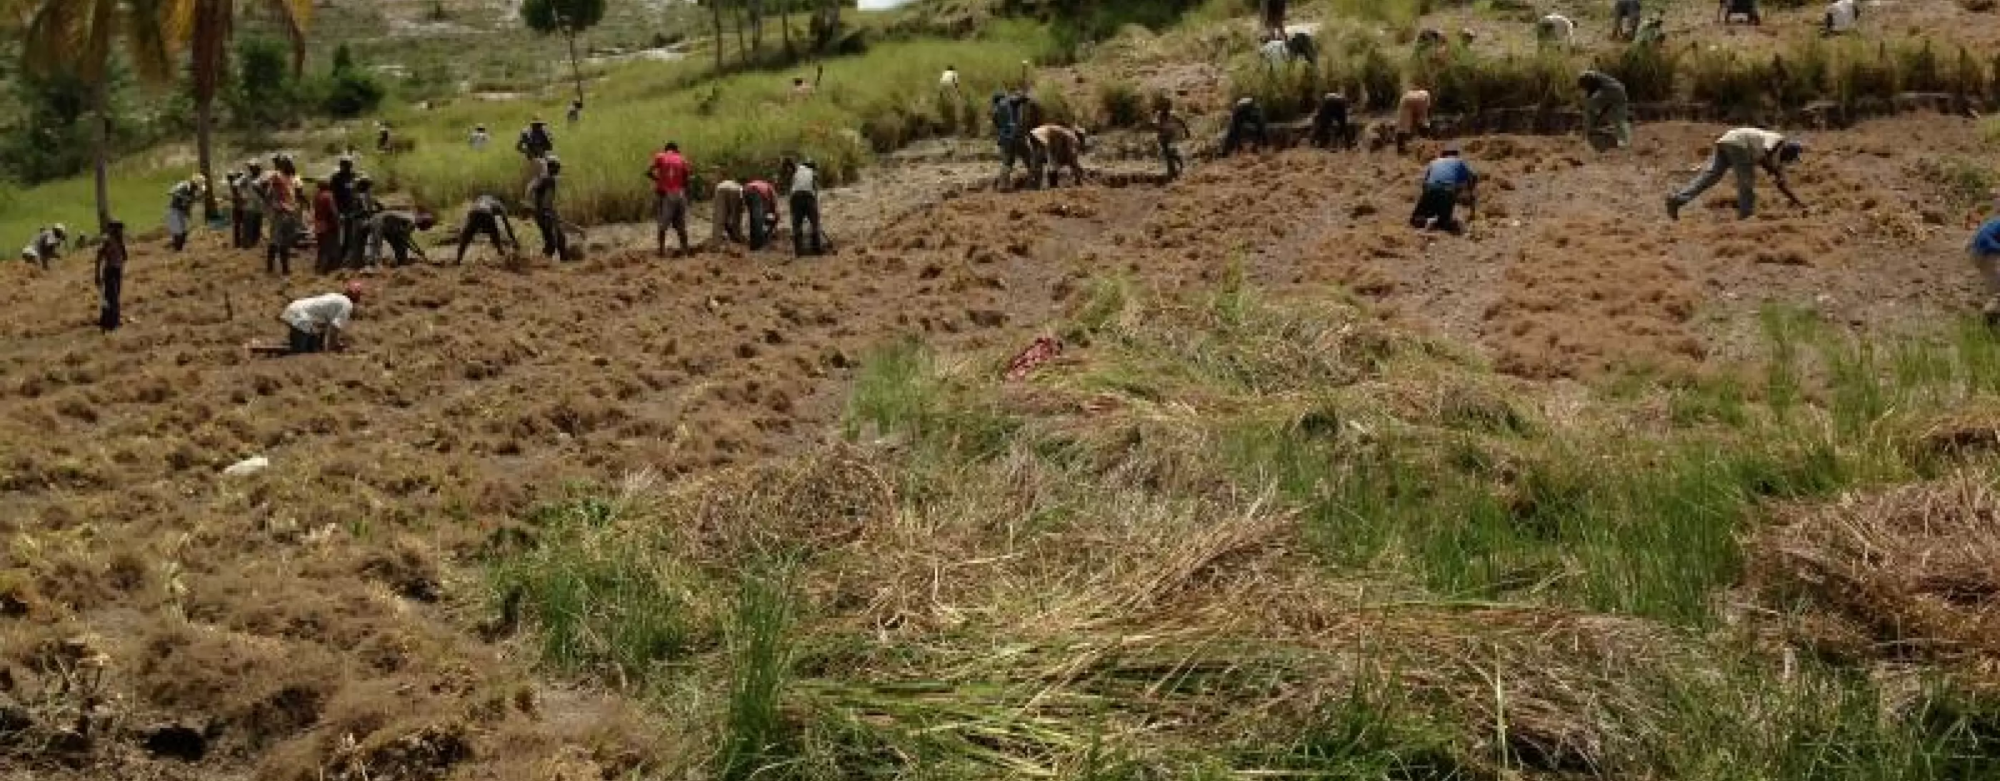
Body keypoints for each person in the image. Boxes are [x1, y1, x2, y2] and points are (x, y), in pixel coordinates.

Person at [1666, 127, 1805, 220]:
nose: (1791, 161)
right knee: (1747, 181)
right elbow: (1765, 153)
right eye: (1793, 157)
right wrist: (1772, 170)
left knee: (1711, 177)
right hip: (1738, 143)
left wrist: (1798, 203)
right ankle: (1746, 217)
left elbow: (1782, 185)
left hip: (1727, 141)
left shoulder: (1778, 161)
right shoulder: (1777, 139)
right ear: (1789, 151)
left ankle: (1677, 200)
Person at [279, 281, 364, 355]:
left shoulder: (336, 296)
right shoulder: (347, 304)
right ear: (356, 295)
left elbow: (325, 326)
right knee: (300, 353)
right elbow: (334, 329)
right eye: (359, 294)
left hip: (295, 308)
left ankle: (293, 345)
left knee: (311, 347)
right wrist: (331, 349)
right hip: (301, 317)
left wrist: (333, 343)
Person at [1411, 142, 1478, 234]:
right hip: (1448, 191)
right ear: (1456, 154)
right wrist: (1470, 192)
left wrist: (1425, 198)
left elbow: (1425, 182)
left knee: (1415, 219)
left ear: (1443, 154)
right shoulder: (1459, 162)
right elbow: (1474, 176)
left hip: (1431, 189)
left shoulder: (1434, 162)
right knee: (1444, 223)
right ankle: (1437, 221)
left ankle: (1428, 220)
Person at [648, 141, 693, 257]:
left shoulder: (660, 156)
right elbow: (687, 179)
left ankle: (661, 251)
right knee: (681, 225)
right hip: (680, 195)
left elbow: (648, 172)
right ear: (676, 150)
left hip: (667, 195)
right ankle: (685, 251)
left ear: (666, 149)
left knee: (662, 225)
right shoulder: (682, 159)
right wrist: (686, 196)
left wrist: (658, 180)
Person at [263, 154, 301, 275]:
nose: (290, 165)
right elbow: (266, 191)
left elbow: (295, 194)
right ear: (284, 164)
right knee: (275, 240)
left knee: (285, 241)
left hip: (290, 212)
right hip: (279, 213)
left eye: (291, 163)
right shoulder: (276, 177)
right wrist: (274, 204)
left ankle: (285, 268)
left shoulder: (292, 177)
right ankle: (270, 267)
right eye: (288, 163)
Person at [455, 195, 519, 264]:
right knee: (495, 234)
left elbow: (472, 210)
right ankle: (501, 253)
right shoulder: (498, 204)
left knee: (465, 239)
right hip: (486, 214)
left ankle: (458, 259)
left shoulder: (481, 198)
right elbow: (507, 226)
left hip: (473, 213)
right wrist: (514, 240)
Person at [1579, 70, 1632, 150]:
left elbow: (1591, 95)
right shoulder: (1596, 79)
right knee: (1619, 118)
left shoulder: (1592, 79)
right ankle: (1623, 140)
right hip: (1617, 93)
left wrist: (1597, 114)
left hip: (1615, 94)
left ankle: (1624, 141)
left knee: (1618, 119)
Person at [1969, 190, 2000, 324]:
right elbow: (1984, 238)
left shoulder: (1995, 221)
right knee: (1997, 292)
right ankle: (1989, 317)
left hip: (1979, 252)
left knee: (1995, 289)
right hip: (1983, 253)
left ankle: (1991, 317)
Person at [529, 154, 567, 259]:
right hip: (545, 213)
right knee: (555, 240)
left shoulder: (541, 178)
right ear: (553, 168)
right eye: (558, 168)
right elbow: (547, 200)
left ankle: (547, 262)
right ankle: (549, 262)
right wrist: (548, 212)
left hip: (539, 213)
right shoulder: (550, 181)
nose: (559, 170)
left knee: (554, 239)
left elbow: (530, 192)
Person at [365, 209, 434, 267]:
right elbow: (405, 239)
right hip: (379, 221)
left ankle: (402, 262)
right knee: (377, 245)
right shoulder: (411, 220)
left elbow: (405, 239)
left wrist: (417, 250)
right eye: (426, 226)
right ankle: (375, 264)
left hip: (389, 227)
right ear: (421, 221)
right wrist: (417, 251)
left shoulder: (411, 221)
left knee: (400, 246)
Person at [94, 220, 127, 332]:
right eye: (119, 229)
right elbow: (99, 257)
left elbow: (124, 256)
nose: (121, 231)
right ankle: (112, 323)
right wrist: (97, 274)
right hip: (110, 271)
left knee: (114, 297)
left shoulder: (119, 241)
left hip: (117, 271)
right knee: (112, 298)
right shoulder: (108, 240)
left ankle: (109, 321)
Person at [993, 92, 1029, 191]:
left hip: (1004, 139)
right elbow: (1023, 99)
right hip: (1016, 137)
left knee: (1007, 162)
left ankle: (1003, 185)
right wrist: (1022, 95)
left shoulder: (995, 111)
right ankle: (1034, 182)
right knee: (1029, 158)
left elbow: (998, 126)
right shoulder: (1008, 103)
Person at [328, 155, 360, 263]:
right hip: (341, 210)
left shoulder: (354, 176)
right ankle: (337, 258)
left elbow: (357, 192)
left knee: (351, 234)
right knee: (340, 236)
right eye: (345, 165)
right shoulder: (336, 178)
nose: (347, 167)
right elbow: (332, 195)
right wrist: (337, 211)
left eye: (349, 165)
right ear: (341, 165)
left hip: (353, 210)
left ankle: (348, 256)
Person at [789, 159, 823, 257]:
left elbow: (793, 187)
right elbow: (815, 188)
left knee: (797, 224)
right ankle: (817, 250)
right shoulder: (812, 172)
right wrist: (814, 206)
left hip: (795, 198)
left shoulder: (797, 171)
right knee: (814, 223)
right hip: (808, 197)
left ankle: (798, 252)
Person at [165, 173, 206, 252]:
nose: (198, 188)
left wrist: (194, 200)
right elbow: (170, 192)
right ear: (194, 183)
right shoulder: (183, 185)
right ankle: (176, 250)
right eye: (197, 186)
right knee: (177, 232)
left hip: (184, 211)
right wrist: (184, 197)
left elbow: (197, 199)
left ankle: (177, 249)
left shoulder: (196, 190)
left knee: (184, 232)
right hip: (174, 209)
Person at [1152, 102, 1192, 180]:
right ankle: (1172, 171)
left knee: (1171, 152)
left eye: (1167, 108)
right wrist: (1156, 127)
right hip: (1163, 137)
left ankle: (1180, 165)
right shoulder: (1159, 115)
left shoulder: (1173, 115)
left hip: (1172, 136)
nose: (1165, 110)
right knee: (1167, 155)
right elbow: (1155, 124)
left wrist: (1187, 131)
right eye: (1164, 108)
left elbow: (1181, 122)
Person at [312, 179, 340, 274]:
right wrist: (337, 222)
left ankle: (318, 266)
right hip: (328, 224)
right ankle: (326, 269)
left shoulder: (317, 195)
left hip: (318, 222)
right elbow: (333, 211)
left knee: (321, 246)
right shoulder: (328, 195)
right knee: (329, 246)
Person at [744, 177, 779, 251]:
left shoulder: (761, 184)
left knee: (753, 219)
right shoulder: (770, 187)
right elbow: (775, 206)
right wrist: (775, 221)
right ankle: (760, 244)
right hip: (756, 192)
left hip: (746, 191)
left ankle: (753, 244)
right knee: (758, 220)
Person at [1396, 89, 1433, 154]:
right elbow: (1424, 118)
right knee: (1423, 122)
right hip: (1416, 100)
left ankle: (1400, 148)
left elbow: (1416, 116)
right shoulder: (1426, 99)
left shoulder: (1424, 93)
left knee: (1402, 126)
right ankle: (1425, 142)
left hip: (1405, 98)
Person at [712, 176, 746, 245]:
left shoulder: (722, 183)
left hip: (720, 188)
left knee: (719, 217)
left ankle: (716, 240)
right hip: (735, 190)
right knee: (736, 217)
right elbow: (740, 207)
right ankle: (737, 237)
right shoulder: (739, 186)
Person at [241, 161, 267, 249]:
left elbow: (266, 192)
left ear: (258, 169)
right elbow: (239, 186)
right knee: (248, 224)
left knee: (257, 224)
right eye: (251, 168)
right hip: (249, 204)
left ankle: (254, 242)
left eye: (253, 168)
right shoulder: (246, 178)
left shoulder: (263, 179)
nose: (251, 169)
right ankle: (247, 244)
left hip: (259, 205)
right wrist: (243, 195)